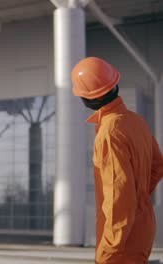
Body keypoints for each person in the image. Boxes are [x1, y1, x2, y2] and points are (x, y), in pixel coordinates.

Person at [71, 57, 163, 263]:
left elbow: (117, 198)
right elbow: (158, 165)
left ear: (86, 99)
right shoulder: (136, 121)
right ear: (115, 85)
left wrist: (108, 250)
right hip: (143, 229)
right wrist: (138, 197)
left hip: (121, 243)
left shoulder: (109, 133)